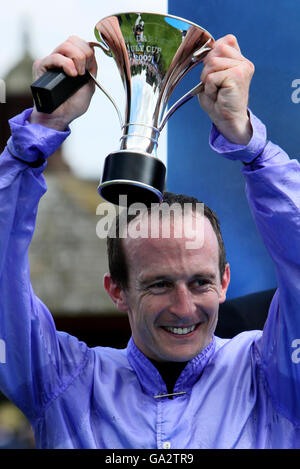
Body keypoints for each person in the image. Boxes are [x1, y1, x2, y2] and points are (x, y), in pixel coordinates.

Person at [0, 33, 299, 449]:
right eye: (158, 284)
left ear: (225, 280)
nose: (183, 307)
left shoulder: (272, 373)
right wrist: (38, 133)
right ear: (116, 290)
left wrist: (250, 144)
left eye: (200, 282)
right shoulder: (63, 381)